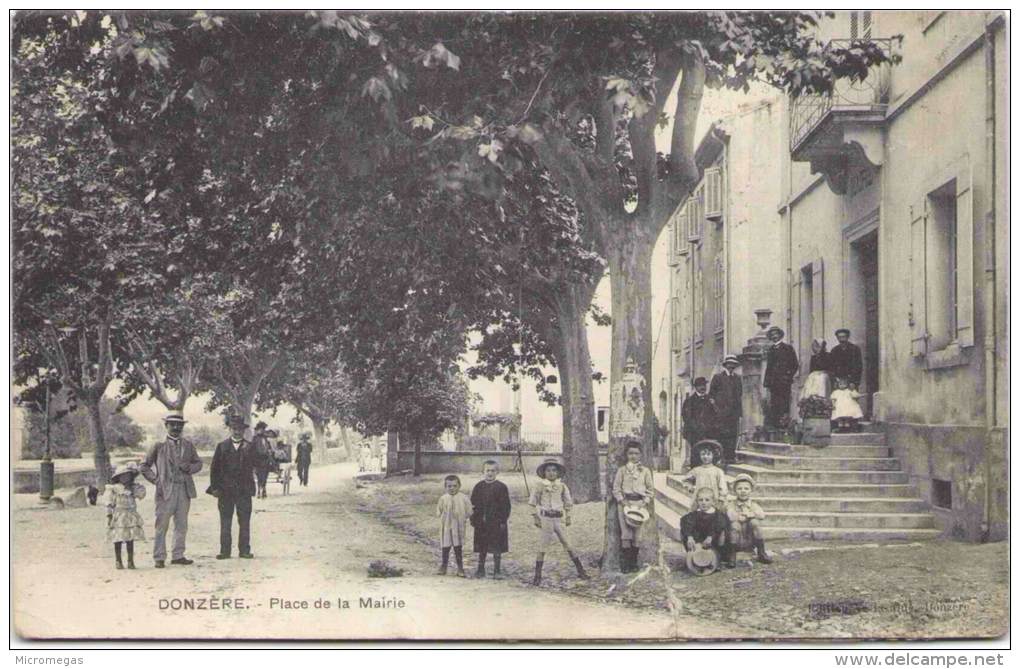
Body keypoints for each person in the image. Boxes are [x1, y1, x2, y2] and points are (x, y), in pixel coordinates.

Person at [139, 411, 203, 568]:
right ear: (166, 426)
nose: (176, 427)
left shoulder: (188, 445)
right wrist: (156, 480)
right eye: (172, 424)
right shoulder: (158, 445)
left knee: (181, 524)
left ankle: (178, 555)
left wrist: (189, 467)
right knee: (162, 524)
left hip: (184, 489)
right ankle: (159, 557)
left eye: (179, 425)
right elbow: (144, 466)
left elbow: (198, 463)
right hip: (165, 490)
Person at [529, 458, 589, 585]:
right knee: (542, 546)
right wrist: (535, 517)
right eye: (548, 470)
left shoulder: (562, 486)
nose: (551, 473)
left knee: (568, 543)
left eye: (554, 470)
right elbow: (532, 502)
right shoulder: (539, 486)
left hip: (559, 518)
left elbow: (568, 503)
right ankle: (537, 575)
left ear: (558, 473)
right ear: (544, 473)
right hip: (546, 518)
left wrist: (568, 516)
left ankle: (580, 570)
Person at [209, 413, 257, 560]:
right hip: (225, 492)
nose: (237, 431)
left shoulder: (250, 447)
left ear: (244, 430)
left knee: (244, 522)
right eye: (234, 428)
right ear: (230, 429)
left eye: (240, 429)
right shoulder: (222, 447)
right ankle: (225, 551)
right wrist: (215, 488)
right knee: (225, 521)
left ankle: (244, 550)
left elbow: (257, 465)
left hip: (244, 491)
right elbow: (214, 469)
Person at [611, 442, 655, 573]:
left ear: (640, 455)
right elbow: (616, 489)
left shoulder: (645, 471)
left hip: (640, 505)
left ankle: (633, 562)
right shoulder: (622, 470)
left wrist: (645, 501)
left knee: (637, 535)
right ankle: (625, 563)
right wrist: (622, 501)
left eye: (636, 453)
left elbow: (650, 490)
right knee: (626, 534)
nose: (633, 456)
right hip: (625, 504)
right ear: (626, 454)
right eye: (630, 453)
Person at [470, 461, 511, 579]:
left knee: (496, 546)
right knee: (482, 546)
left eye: (493, 471)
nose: (490, 473)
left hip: (496, 523)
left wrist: (503, 520)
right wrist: (474, 519)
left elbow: (506, 506)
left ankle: (497, 570)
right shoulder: (478, 487)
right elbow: (473, 504)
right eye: (487, 470)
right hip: (482, 523)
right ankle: (480, 569)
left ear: (497, 472)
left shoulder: (501, 487)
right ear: (483, 472)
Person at [724, 473, 771, 567]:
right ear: (734, 491)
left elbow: (762, 515)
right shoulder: (731, 504)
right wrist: (738, 517)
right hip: (736, 539)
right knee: (734, 525)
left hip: (749, 538)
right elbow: (730, 515)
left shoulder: (753, 505)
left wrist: (750, 514)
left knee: (755, 522)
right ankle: (732, 555)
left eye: (746, 489)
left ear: (751, 490)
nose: (743, 491)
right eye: (739, 489)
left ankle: (761, 552)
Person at [105, 463, 146, 570]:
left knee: (130, 538)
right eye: (123, 476)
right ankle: (118, 560)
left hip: (130, 515)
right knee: (117, 539)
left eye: (128, 476)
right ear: (118, 478)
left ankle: (130, 561)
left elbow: (141, 494)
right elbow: (109, 503)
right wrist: (109, 515)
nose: (126, 478)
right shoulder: (114, 489)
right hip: (119, 515)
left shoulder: (133, 488)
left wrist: (133, 489)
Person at [680, 487, 729, 573]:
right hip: (698, 542)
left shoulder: (717, 515)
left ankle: (717, 558)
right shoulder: (695, 514)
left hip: (712, 541)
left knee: (722, 532)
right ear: (697, 502)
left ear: (713, 501)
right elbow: (686, 522)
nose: (703, 503)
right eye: (700, 500)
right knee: (685, 530)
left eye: (707, 500)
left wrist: (711, 536)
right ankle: (695, 557)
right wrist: (690, 537)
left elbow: (720, 524)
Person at [709, 355, 743, 467]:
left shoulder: (738, 379)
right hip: (721, 413)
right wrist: (717, 410)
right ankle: (722, 458)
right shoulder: (718, 377)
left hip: (733, 413)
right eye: (729, 364)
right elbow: (711, 396)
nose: (731, 366)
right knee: (722, 435)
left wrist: (739, 413)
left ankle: (731, 457)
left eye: (733, 364)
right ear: (725, 365)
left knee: (733, 435)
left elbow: (739, 396)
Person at [763, 326, 799, 429]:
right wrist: (767, 382)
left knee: (785, 403)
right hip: (774, 383)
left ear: (780, 335)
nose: (774, 336)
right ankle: (776, 425)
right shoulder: (770, 350)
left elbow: (795, 364)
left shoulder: (787, 348)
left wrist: (788, 375)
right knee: (774, 404)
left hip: (784, 382)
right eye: (772, 335)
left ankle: (785, 425)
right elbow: (768, 367)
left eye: (776, 334)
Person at [437, 475, 472, 577]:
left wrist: (462, 517)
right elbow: (439, 511)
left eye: (454, 486)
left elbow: (469, 511)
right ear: (445, 487)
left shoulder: (463, 498)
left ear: (459, 486)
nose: (452, 488)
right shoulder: (443, 498)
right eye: (449, 486)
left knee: (458, 547)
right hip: (446, 526)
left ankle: (460, 568)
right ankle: (443, 566)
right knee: (445, 547)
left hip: (458, 526)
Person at [681, 377, 717, 468]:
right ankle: (695, 475)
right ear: (696, 387)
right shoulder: (689, 401)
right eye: (700, 385)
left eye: (704, 385)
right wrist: (698, 429)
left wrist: (714, 405)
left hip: (708, 432)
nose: (703, 387)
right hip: (694, 433)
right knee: (696, 454)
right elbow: (687, 418)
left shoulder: (710, 399)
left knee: (708, 454)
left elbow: (715, 415)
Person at [251, 422, 276, 499]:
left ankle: (264, 488)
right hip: (257, 459)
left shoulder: (266, 439)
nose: (261, 431)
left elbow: (269, 447)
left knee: (265, 475)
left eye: (263, 429)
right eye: (260, 429)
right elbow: (252, 449)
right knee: (259, 476)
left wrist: (270, 451)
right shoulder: (254, 439)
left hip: (265, 459)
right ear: (257, 430)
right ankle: (259, 490)